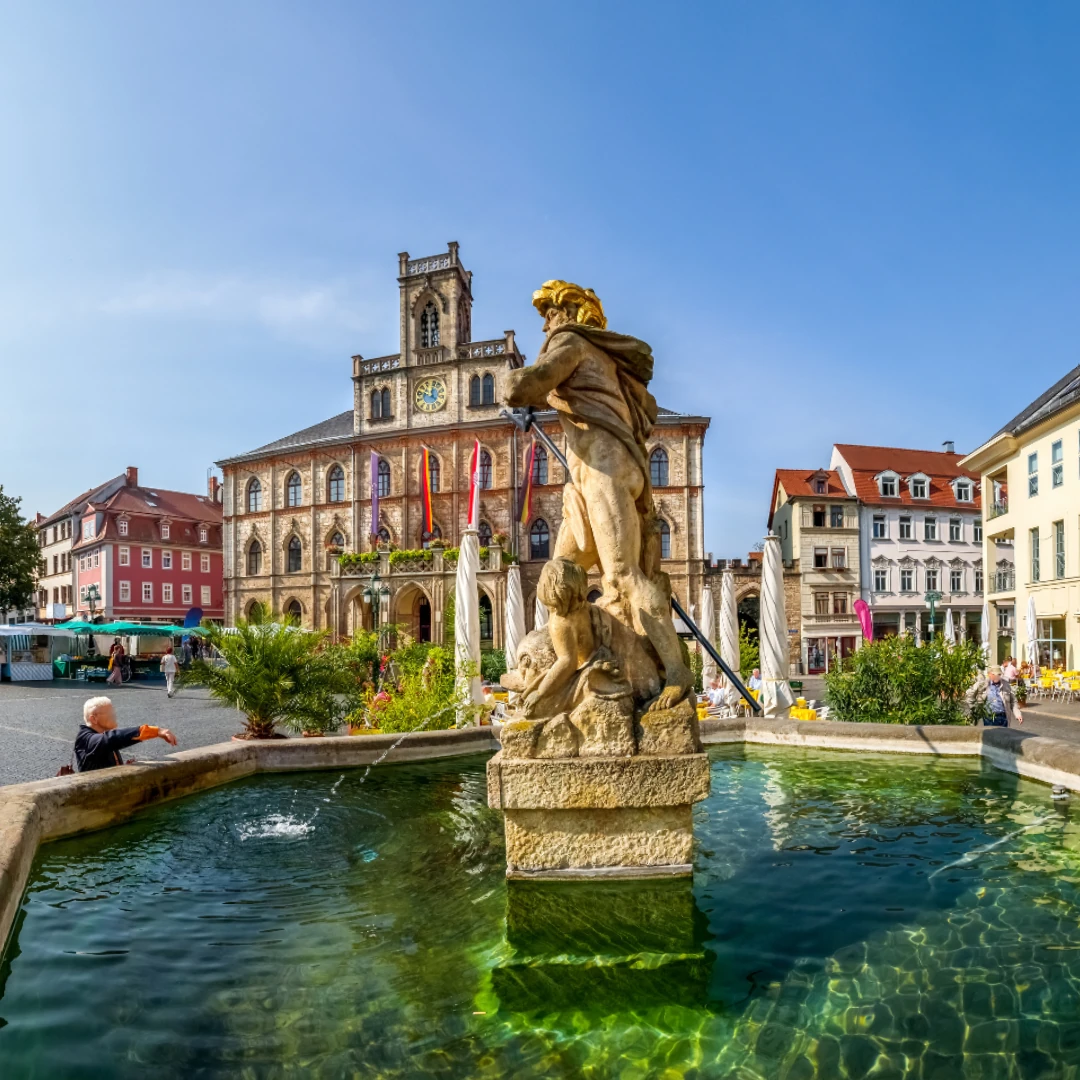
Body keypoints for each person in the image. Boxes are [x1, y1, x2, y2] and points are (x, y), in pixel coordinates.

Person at [74, 696, 177, 772]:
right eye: (110, 713)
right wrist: (155, 731)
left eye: (113, 712)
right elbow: (111, 739)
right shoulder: (85, 738)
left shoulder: (102, 735)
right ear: (94, 719)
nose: (114, 716)